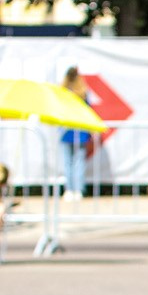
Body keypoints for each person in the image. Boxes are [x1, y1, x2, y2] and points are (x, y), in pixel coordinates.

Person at [60, 67, 98, 199]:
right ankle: (78, 189)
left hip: (66, 130)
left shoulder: (63, 92)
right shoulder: (82, 92)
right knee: (78, 161)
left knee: (68, 162)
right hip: (79, 130)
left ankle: (70, 189)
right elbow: (88, 112)